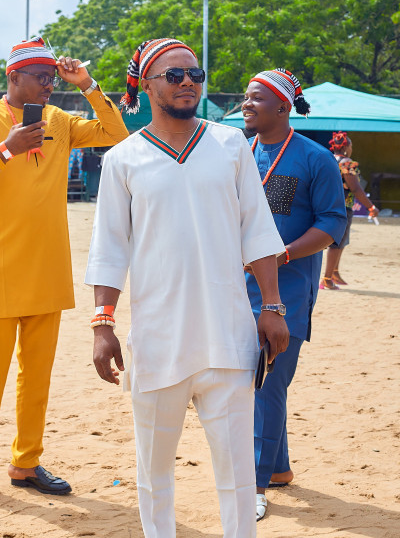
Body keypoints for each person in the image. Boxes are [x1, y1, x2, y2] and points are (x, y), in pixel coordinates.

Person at [85, 38, 290, 538]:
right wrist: (102, 324)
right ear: (146, 84)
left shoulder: (230, 144)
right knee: (153, 471)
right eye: (174, 75)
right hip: (157, 342)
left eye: (194, 74)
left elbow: (257, 230)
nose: (187, 83)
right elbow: (110, 248)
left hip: (228, 335)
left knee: (239, 473)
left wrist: (272, 305)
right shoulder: (123, 159)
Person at [0, 36, 129, 508]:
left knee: (37, 375)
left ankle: (25, 462)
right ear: (14, 78)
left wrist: (86, 85)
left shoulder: (60, 121)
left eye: (52, 78)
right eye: (41, 78)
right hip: (1, 268)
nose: (49, 86)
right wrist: (4, 150)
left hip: (48, 268)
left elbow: (115, 134)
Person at [241, 68, 347, 521]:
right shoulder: (237, 152)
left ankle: (255, 485)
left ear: (283, 108)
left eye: (256, 99)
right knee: (263, 382)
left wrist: (281, 256)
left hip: (286, 289)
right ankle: (278, 468)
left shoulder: (315, 159)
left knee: (265, 382)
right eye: (244, 98)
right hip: (233, 287)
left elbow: (331, 224)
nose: (246, 105)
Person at [320, 131, 379, 289]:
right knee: (337, 244)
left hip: (327, 205)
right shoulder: (347, 163)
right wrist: (371, 207)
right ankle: (327, 279)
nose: (352, 149)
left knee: (339, 242)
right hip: (343, 207)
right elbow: (356, 189)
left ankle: (334, 272)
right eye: (351, 146)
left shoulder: (328, 159)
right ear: (346, 147)